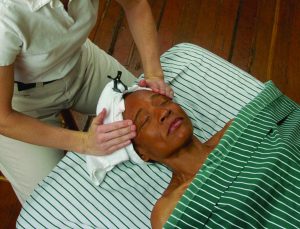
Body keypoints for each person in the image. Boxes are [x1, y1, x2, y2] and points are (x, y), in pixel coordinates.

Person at [0, 0, 173, 204]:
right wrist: (84, 142)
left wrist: (153, 74)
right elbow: (4, 118)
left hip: (80, 64)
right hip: (20, 105)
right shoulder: (6, 13)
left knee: (153, 122)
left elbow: (135, 5)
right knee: (55, 204)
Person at [123, 87, 300, 229]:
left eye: (164, 102)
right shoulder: (169, 210)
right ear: (141, 154)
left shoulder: (238, 130)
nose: (163, 112)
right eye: (145, 120)